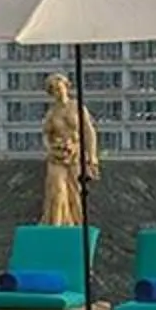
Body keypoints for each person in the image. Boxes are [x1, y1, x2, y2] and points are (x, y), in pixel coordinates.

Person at [41, 73, 100, 228]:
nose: (58, 92)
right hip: (57, 157)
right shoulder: (52, 113)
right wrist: (51, 149)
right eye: (54, 90)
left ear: (66, 87)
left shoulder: (77, 107)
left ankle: (74, 225)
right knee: (57, 190)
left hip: (76, 154)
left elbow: (89, 131)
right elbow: (46, 135)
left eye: (60, 88)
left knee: (75, 192)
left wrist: (92, 156)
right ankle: (56, 225)